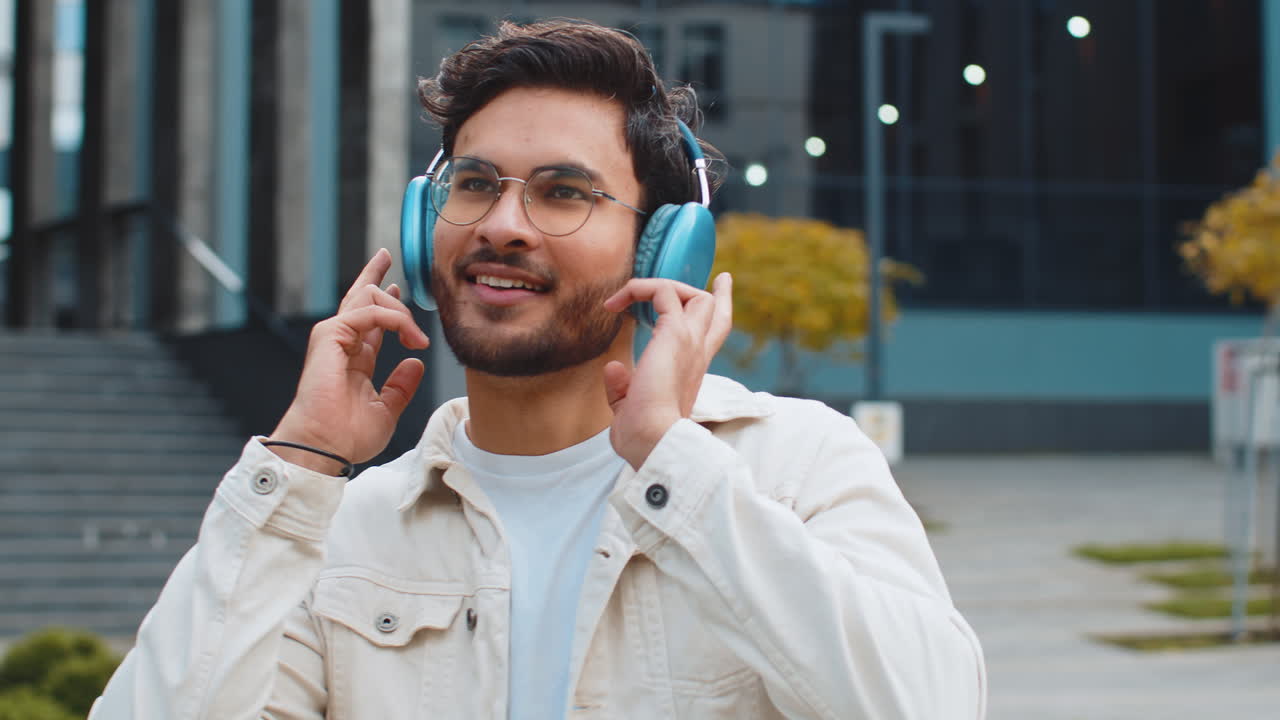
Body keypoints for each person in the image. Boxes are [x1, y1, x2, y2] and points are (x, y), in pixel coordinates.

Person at [91, 19, 985, 720]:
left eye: (564, 192)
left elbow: (928, 704)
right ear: (423, 228)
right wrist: (299, 461)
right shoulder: (343, 527)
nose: (501, 225)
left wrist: (674, 463)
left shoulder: (794, 467)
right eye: (476, 184)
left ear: (665, 250)